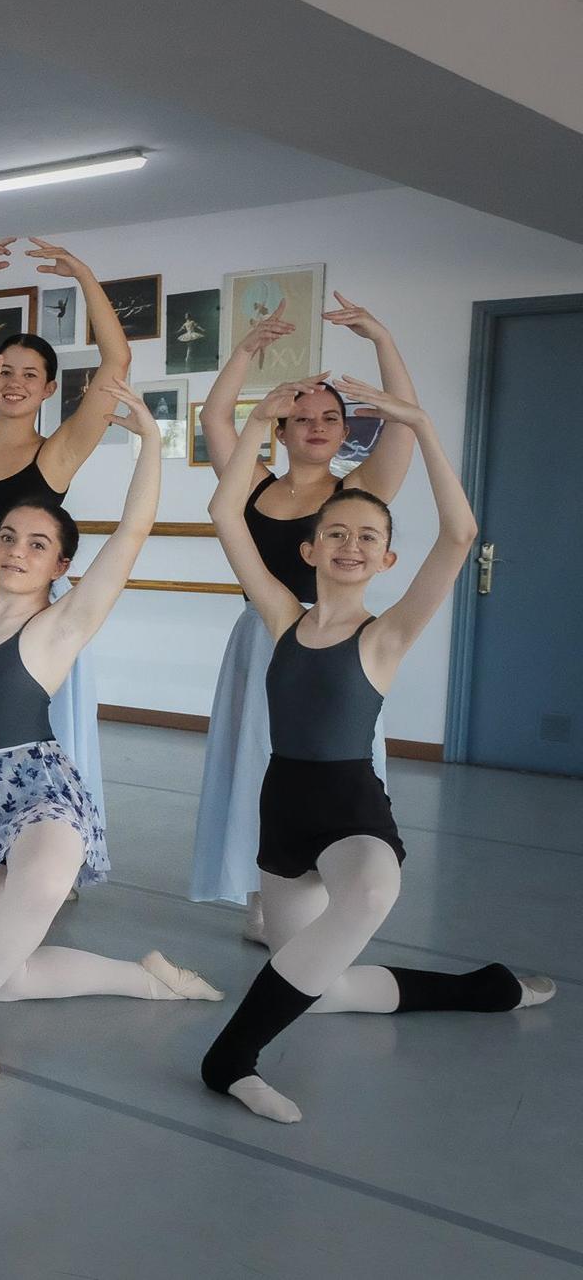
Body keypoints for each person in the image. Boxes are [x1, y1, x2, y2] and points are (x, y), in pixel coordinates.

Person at [200, 376, 554, 1124]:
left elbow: (459, 537)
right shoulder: (279, 616)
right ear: (310, 547)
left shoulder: (384, 636)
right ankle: (485, 989)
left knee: (371, 891)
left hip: (350, 808)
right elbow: (224, 512)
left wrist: (423, 426)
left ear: (388, 560)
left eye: (369, 537)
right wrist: (257, 422)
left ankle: (229, 1060)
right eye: (336, 533)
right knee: (319, 989)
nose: (351, 545)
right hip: (282, 816)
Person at [0, 361, 219, 1086]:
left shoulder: (61, 625)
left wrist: (152, 442)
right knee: (12, 976)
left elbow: (136, 529)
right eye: (9, 537)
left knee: (46, 885)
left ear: (60, 563)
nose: (16, 551)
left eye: (36, 544)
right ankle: (148, 979)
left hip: (39, 788)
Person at [189, 295, 416, 938]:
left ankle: (325, 884)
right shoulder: (253, 482)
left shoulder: (357, 492)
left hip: (333, 647)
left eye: (329, 418)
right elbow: (214, 415)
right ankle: (265, 891)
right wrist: (247, 351)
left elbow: (403, 427)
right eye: (301, 416)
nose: (315, 426)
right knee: (255, 761)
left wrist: (381, 338)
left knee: (328, 762)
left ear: (345, 432)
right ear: (282, 429)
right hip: (259, 639)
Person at [0, 238, 132, 831]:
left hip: (32, 618)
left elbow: (115, 364)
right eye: (4, 370)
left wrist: (86, 276)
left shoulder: (57, 453)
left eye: (29, 375)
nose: (14, 383)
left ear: (47, 389)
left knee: (43, 731)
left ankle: (56, 843)